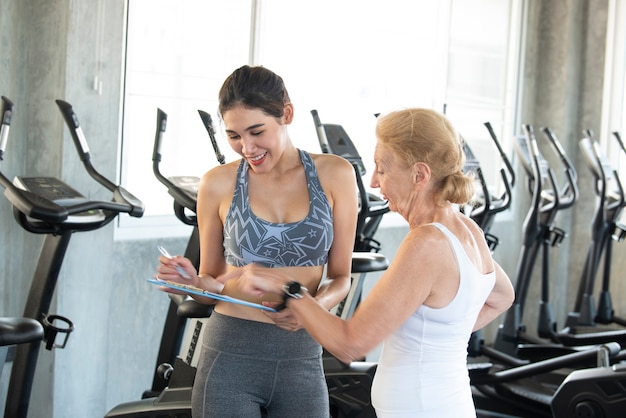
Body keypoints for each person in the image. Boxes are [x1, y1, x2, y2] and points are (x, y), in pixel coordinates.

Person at [235, 108, 516, 417]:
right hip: (446, 403)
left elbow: (350, 344)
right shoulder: (468, 230)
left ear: (419, 175)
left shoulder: (426, 244)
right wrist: (440, 340)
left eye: (382, 168)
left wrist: (288, 289)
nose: (373, 182)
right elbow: (503, 296)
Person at [156, 65, 359, 417]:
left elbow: (341, 276)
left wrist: (313, 308)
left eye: (256, 131)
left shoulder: (336, 174)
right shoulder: (216, 183)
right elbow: (213, 280)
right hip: (230, 355)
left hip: (302, 355)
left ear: (287, 114)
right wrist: (192, 283)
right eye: (234, 136)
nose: (246, 148)